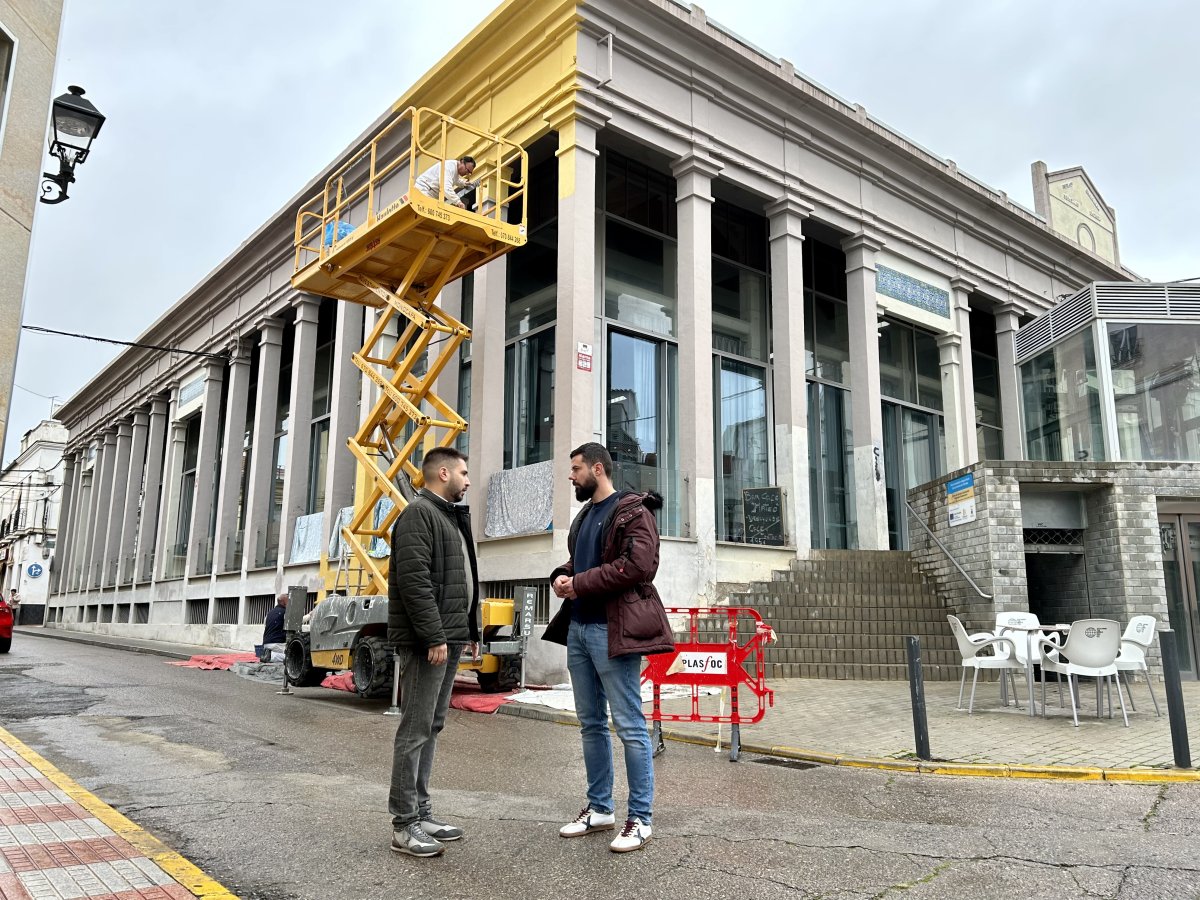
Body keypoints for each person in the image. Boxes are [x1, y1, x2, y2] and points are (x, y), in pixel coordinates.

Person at [544, 442, 674, 853]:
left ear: (598, 469)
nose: (571, 475)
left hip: (612, 632)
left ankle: (641, 818)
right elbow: (580, 562)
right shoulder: (585, 516)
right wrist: (563, 577)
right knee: (591, 725)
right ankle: (600, 809)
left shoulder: (633, 511)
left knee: (630, 726)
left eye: (576, 468)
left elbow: (638, 567)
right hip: (579, 630)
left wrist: (579, 583)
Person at [387, 447, 480, 858]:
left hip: (451, 636)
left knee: (433, 725)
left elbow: (461, 581)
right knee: (415, 728)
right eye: (463, 472)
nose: (468, 479)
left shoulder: (448, 516)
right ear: (443, 473)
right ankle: (404, 824)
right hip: (432, 641)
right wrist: (434, 637)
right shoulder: (418, 515)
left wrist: (468, 631)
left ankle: (422, 813)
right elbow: (414, 582)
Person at [260, 594, 287, 662]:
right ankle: (271, 656)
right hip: (277, 644)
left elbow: (265, 625)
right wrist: (309, 615)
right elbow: (296, 622)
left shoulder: (269, 613)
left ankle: (265, 654)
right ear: (284, 602)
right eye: (288, 600)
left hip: (266, 643)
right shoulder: (285, 612)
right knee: (292, 658)